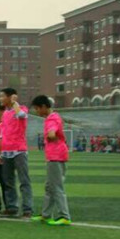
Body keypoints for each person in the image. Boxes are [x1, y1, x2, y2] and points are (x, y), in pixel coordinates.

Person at [30, 95, 71, 225]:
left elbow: (52, 134)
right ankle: (46, 214)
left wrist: (49, 137)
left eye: (37, 108)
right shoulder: (54, 117)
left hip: (55, 156)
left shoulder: (51, 118)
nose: (36, 111)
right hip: (56, 155)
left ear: (43, 106)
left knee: (56, 186)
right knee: (50, 186)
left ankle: (64, 216)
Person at [0, 88, 33, 218]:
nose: (0, 99)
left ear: (10, 97)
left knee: (24, 181)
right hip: (6, 151)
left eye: (2, 96)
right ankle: (12, 207)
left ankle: (27, 209)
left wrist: (14, 102)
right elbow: (2, 133)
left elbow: (21, 115)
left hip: (19, 150)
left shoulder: (21, 108)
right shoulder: (5, 113)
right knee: (8, 181)